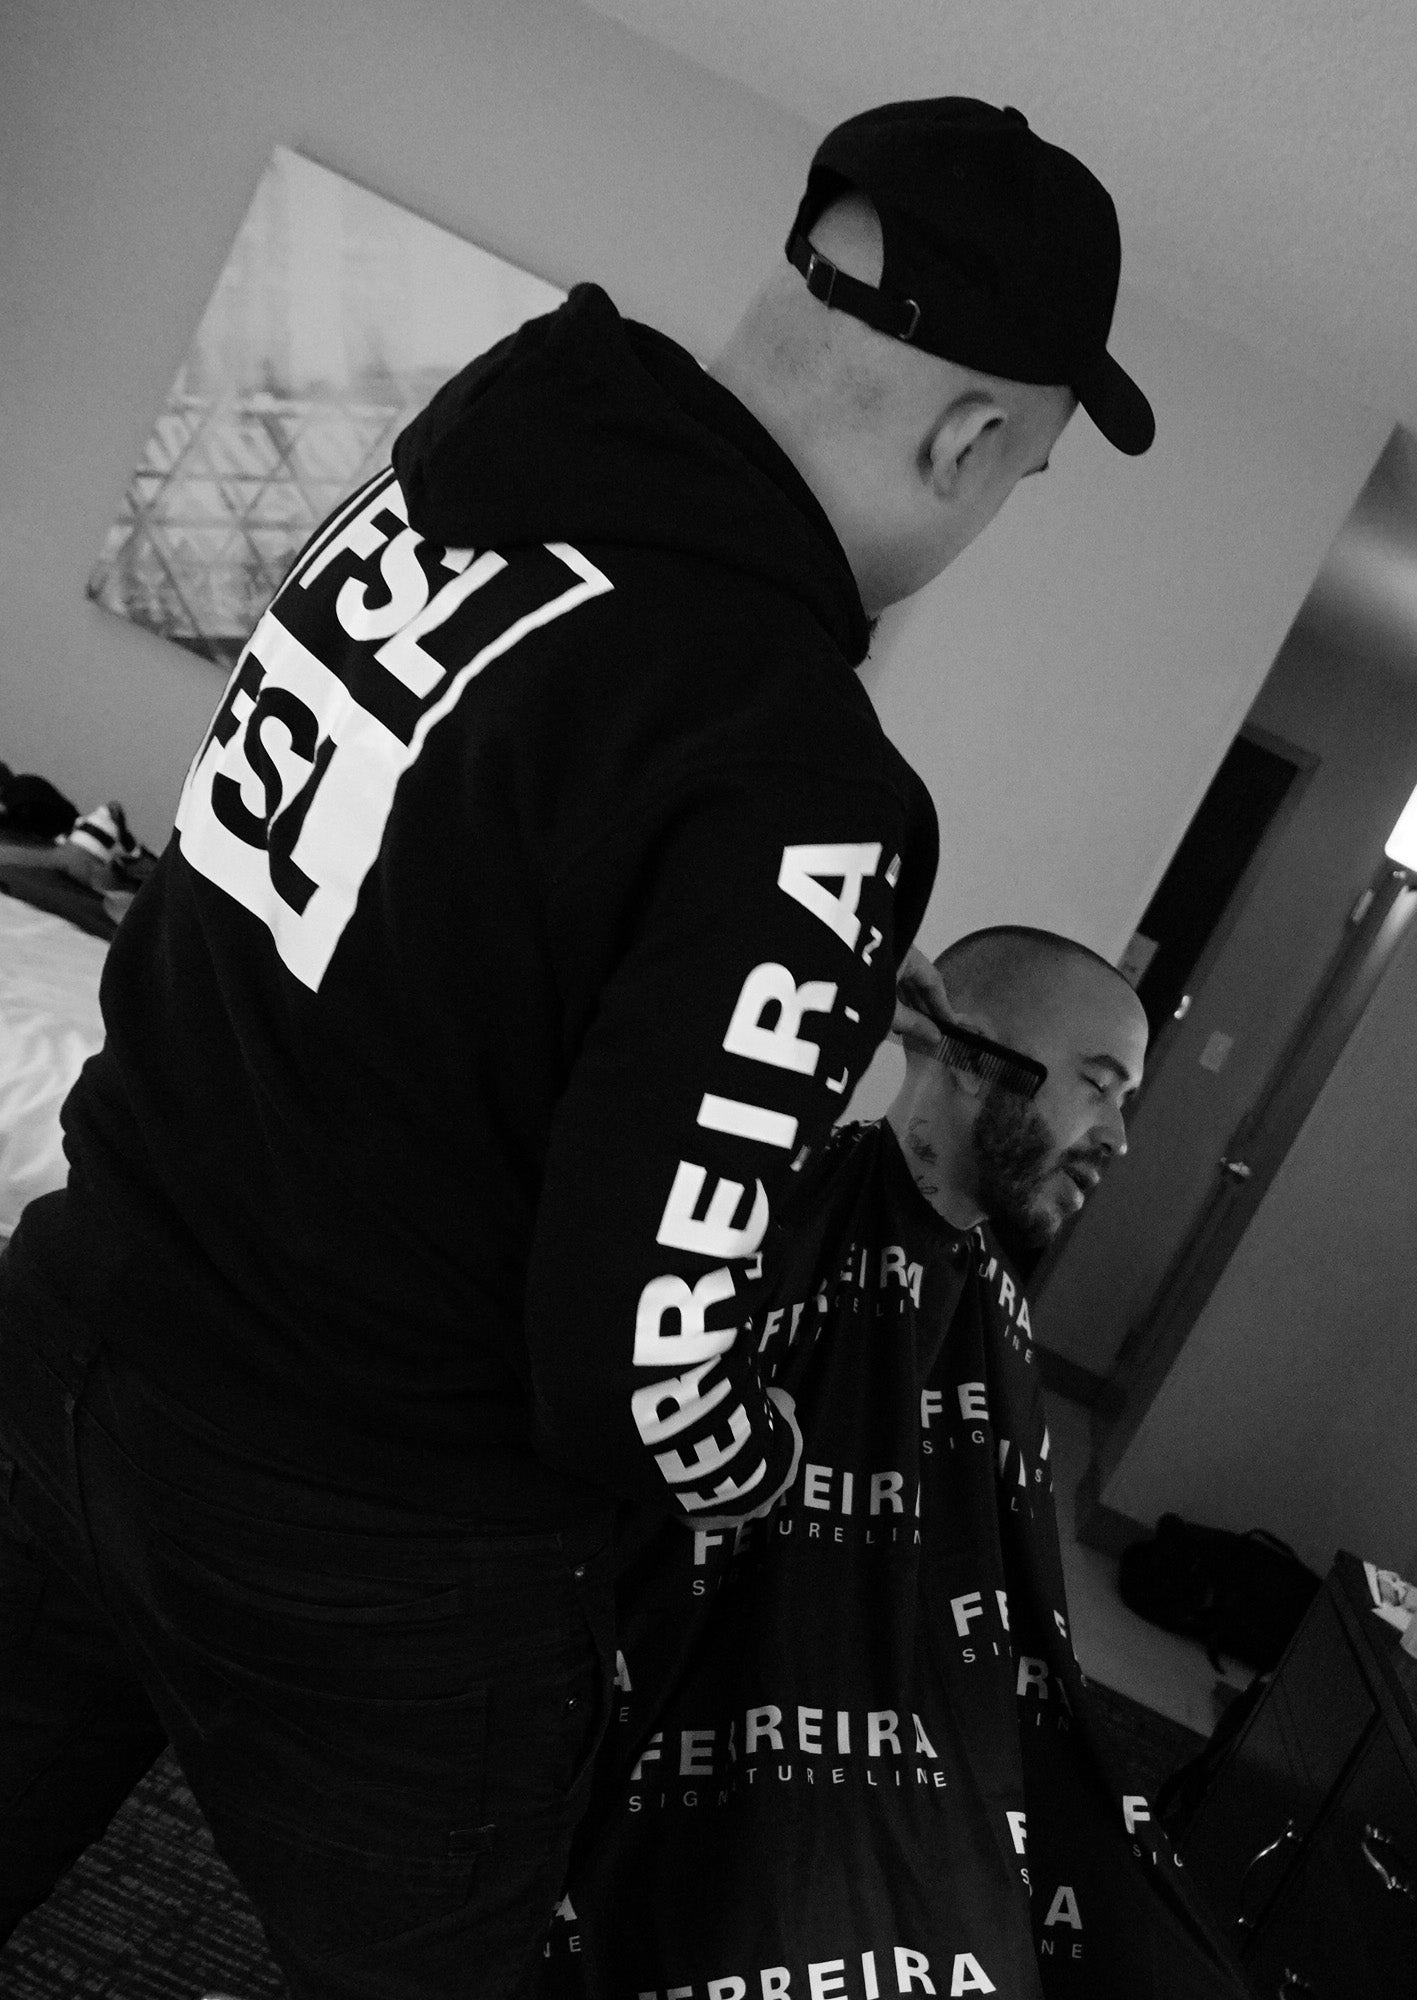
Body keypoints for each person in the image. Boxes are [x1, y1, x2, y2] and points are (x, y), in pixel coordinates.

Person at [0, 99, 1152, 2000]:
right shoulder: (802, 779)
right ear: (970, 438)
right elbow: (636, 1357)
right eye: (1021, 469)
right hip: (358, 1521)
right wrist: (764, 1452)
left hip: (74, 1331)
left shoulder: (441, 485)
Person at [544, 927, 1248, 1998]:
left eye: (1125, 1101)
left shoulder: (994, 1311)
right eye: (1096, 1087)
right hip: (711, 1737)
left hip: (925, 1751)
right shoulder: (764, 1222)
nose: (1115, 1136)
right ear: (962, 1053)